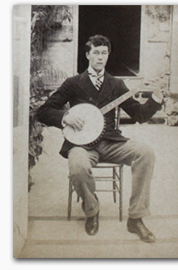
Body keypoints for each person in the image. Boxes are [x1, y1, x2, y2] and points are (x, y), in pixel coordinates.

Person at [37, 35, 163, 242]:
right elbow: (44, 111)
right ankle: (91, 210)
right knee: (77, 165)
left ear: (108, 56)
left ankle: (136, 217)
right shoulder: (73, 83)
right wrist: (66, 117)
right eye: (96, 52)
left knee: (146, 153)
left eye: (104, 53)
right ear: (88, 55)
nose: (100, 57)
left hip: (111, 142)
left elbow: (139, 115)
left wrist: (156, 98)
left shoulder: (116, 84)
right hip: (81, 144)